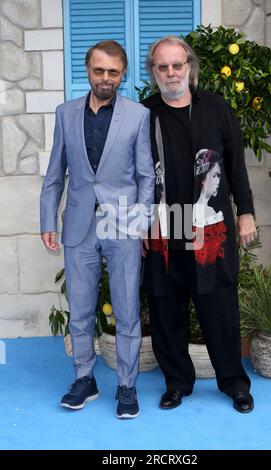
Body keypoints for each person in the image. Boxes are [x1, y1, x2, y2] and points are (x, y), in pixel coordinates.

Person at [142, 36, 257, 413]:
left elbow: (236, 164)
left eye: (177, 65)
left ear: (189, 67)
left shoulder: (216, 108)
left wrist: (246, 212)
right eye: (163, 67)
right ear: (153, 72)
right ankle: (176, 383)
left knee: (220, 309)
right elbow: (134, 176)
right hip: (164, 230)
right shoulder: (146, 114)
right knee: (166, 310)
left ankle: (235, 384)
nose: (171, 73)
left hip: (211, 231)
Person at [40, 40, 154, 419]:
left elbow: (145, 177)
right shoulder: (65, 113)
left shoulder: (137, 115)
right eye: (99, 70)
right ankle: (84, 378)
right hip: (78, 226)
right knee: (81, 311)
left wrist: (140, 226)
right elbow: (55, 174)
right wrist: (47, 220)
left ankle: (126, 386)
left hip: (122, 225)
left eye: (113, 72)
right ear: (87, 71)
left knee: (126, 311)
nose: (105, 78)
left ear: (123, 75)